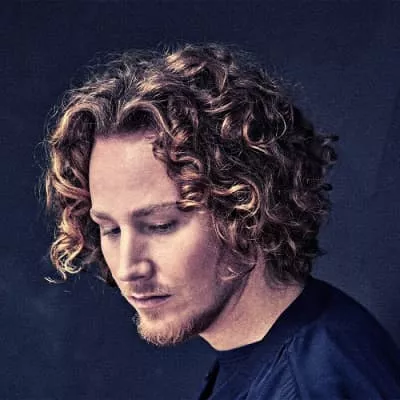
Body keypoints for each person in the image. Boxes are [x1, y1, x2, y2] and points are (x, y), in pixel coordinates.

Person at [44, 43, 400, 399]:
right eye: (110, 229)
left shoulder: (311, 383)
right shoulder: (279, 348)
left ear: (247, 208)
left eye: (161, 225)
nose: (127, 268)